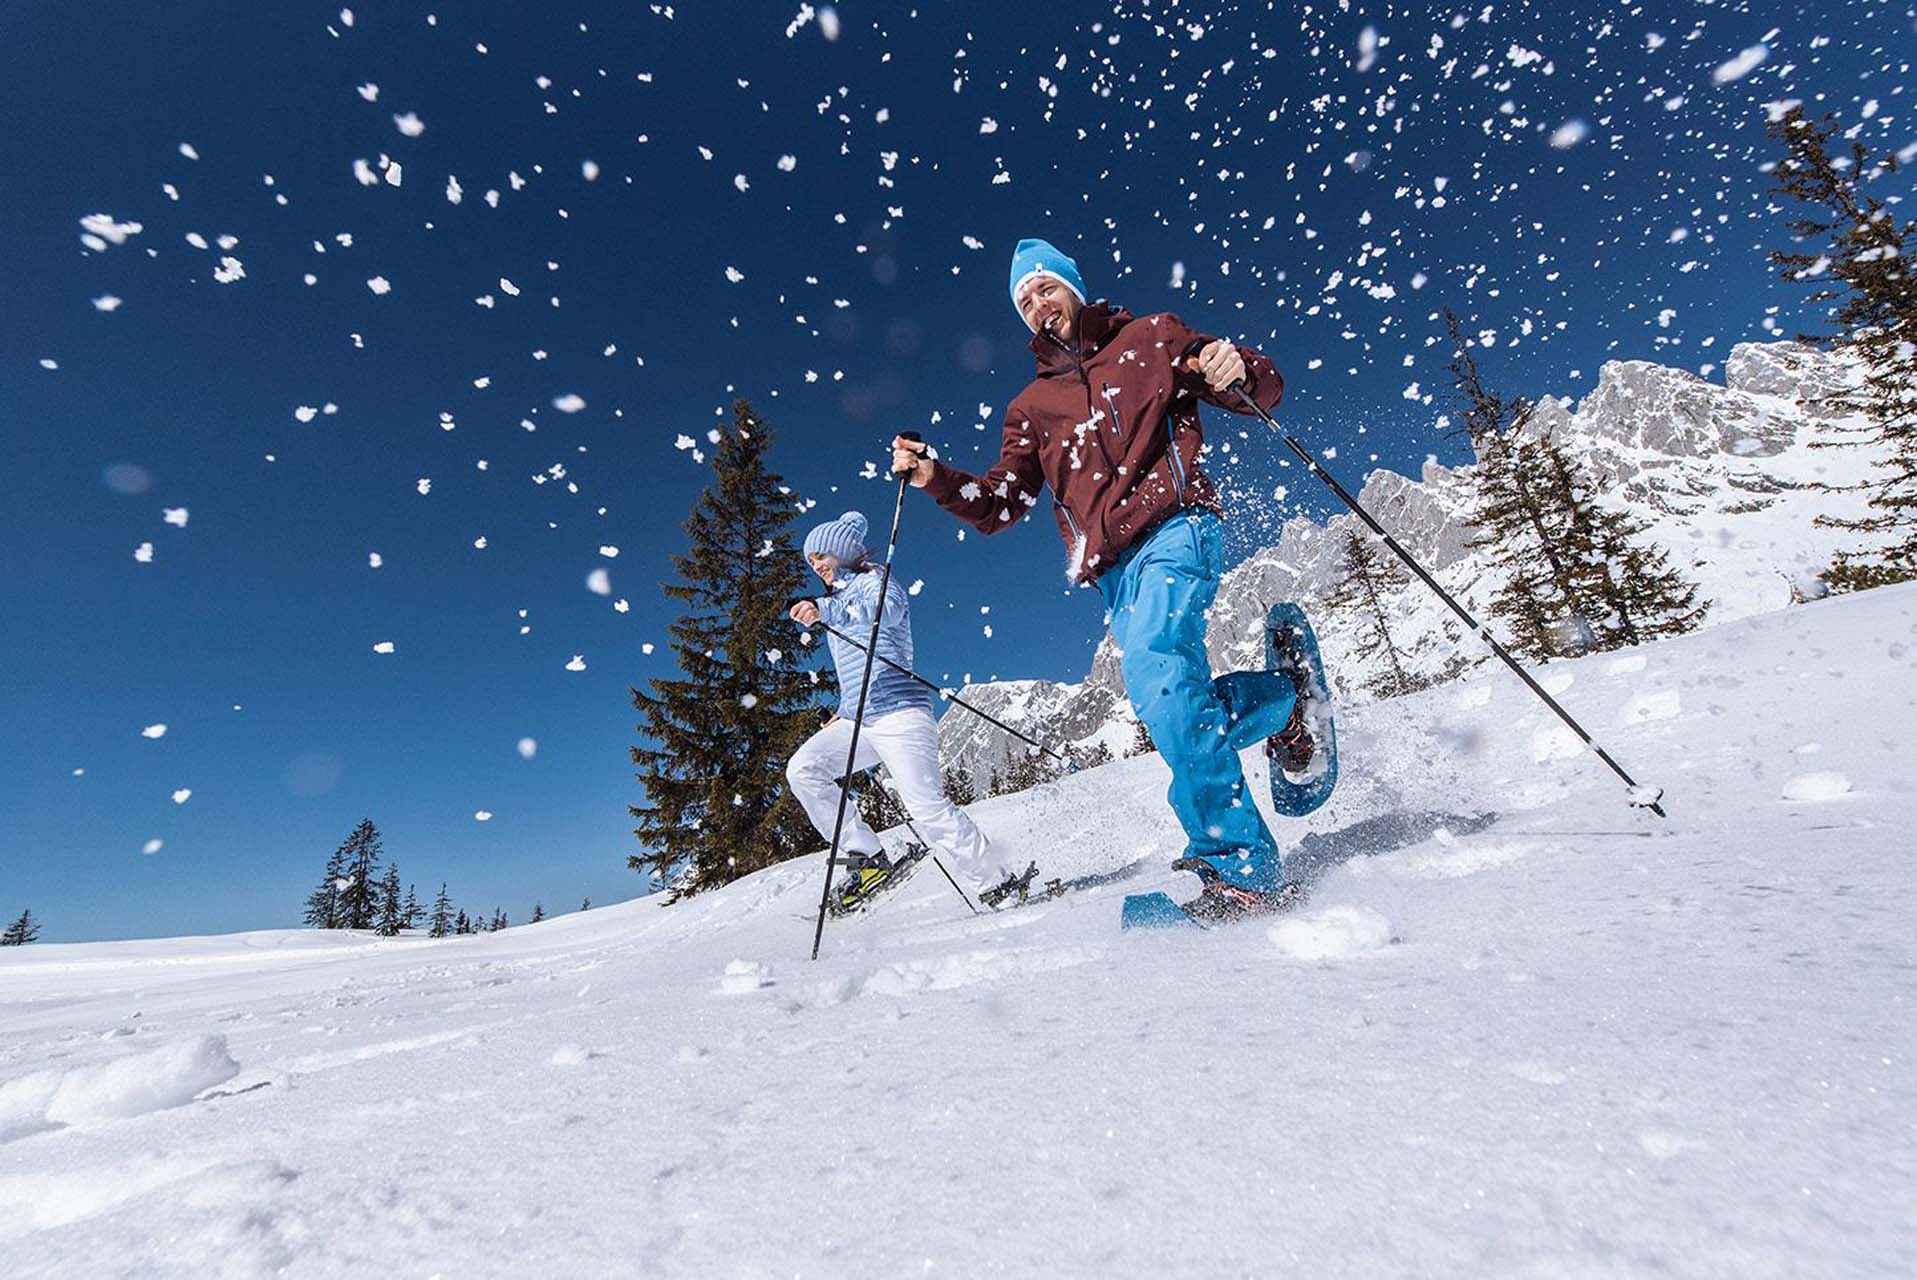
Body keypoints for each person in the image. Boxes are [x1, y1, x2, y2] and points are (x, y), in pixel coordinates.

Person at [888, 238, 1313, 922]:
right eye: (1024, 300)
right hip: (1113, 572)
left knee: (1157, 675)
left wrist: (1236, 365)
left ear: (1074, 289)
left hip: (1178, 527)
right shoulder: (1030, 406)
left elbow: (1258, 390)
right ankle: (1280, 700)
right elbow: (1001, 506)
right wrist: (937, 477)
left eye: (1045, 288)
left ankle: (1243, 872)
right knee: (1169, 703)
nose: (1037, 304)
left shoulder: (1152, 337)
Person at [784, 511, 1003, 905]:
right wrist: (845, 709)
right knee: (803, 769)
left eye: (821, 556)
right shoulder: (835, 602)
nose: (816, 566)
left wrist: (825, 611)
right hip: (860, 720)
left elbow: (887, 615)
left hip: (902, 713)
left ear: (841, 551)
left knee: (924, 805)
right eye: (810, 562)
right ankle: (866, 857)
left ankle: (996, 883)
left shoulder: (876, 581)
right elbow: (859, 668)